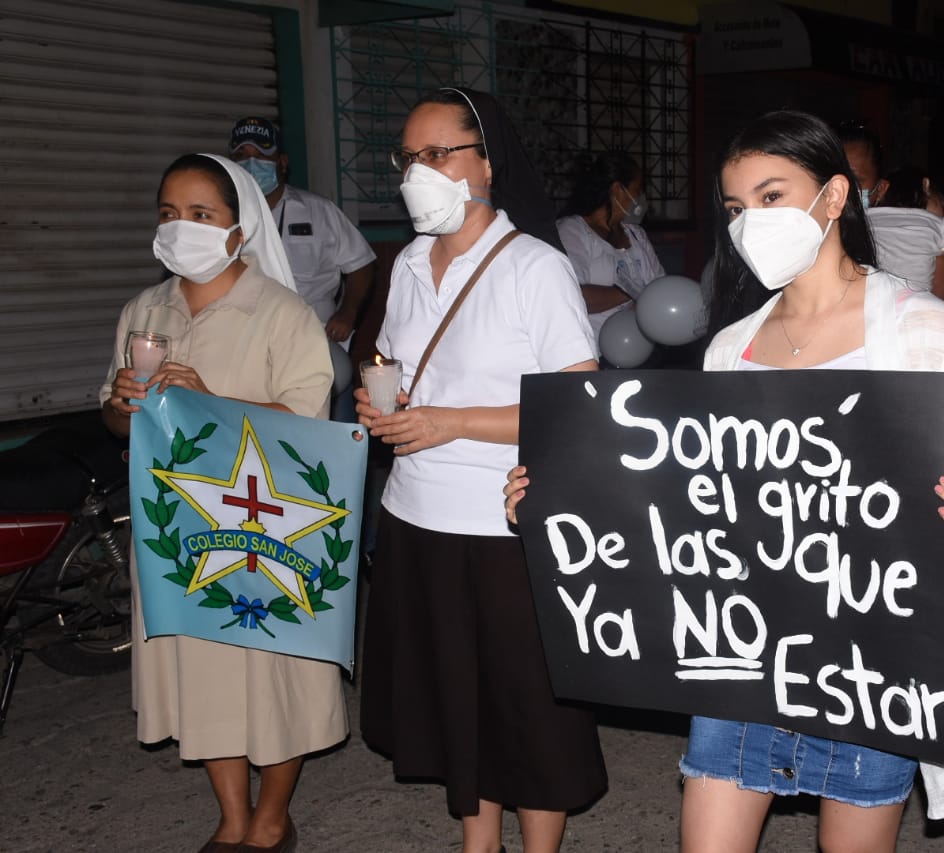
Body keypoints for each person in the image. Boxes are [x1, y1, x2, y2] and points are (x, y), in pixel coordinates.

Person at [505, 109, 944, 853]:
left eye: (772, 198)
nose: (749, 223)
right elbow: (691, 514)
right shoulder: (732, 348)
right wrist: (559, 499)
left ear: (834, 198)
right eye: (737, 208)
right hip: (743, 664)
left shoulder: (920, 329)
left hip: (869, 671)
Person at [356, 87, 606, 853]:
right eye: (408, 157)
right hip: (416, 515)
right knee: (453, 695)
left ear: (486, 165)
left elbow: (576, 402)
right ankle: (478, 839)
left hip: (504, 524)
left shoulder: (534, 267)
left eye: (438, 153)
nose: (417, 171)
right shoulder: (404, 267)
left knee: (524, 705)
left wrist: (452, 422)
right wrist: (385, 403)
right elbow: (398, 364)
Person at [101, 153, 342, 853]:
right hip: (178, 523)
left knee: (274, 673)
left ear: (240, 230)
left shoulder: (280, 312)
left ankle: (273, 815)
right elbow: (118, 420)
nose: (182, 229)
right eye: (169, 214)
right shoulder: (145, 311)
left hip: (266, 520)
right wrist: (121, 407)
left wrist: (208, 400)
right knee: (201, 666)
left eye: (201, 215)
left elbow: (308, 426)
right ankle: (232, 816)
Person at [228, 116, 377, 418]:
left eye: (261, 156)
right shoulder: (225, 216)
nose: (251, 164)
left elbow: (361, 263)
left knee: (333, 440)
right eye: (242, 156)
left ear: (282, 162)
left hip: (317, 340)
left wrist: (348, 312)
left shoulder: (317, 210)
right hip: (248, 346)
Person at [868, 165, 944, 350]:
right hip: (916, 313)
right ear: (926, 187)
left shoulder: (865, 220)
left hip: (869, 311)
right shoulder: (938, 226)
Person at [556, 151, 665, 342]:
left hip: (643, 348)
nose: (641, 198)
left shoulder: (636, 234)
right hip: (596, 351)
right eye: (637, 190)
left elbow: (660, 286)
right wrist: (630, 293)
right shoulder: (572, 231)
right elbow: (572, 294)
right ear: (617, 190)